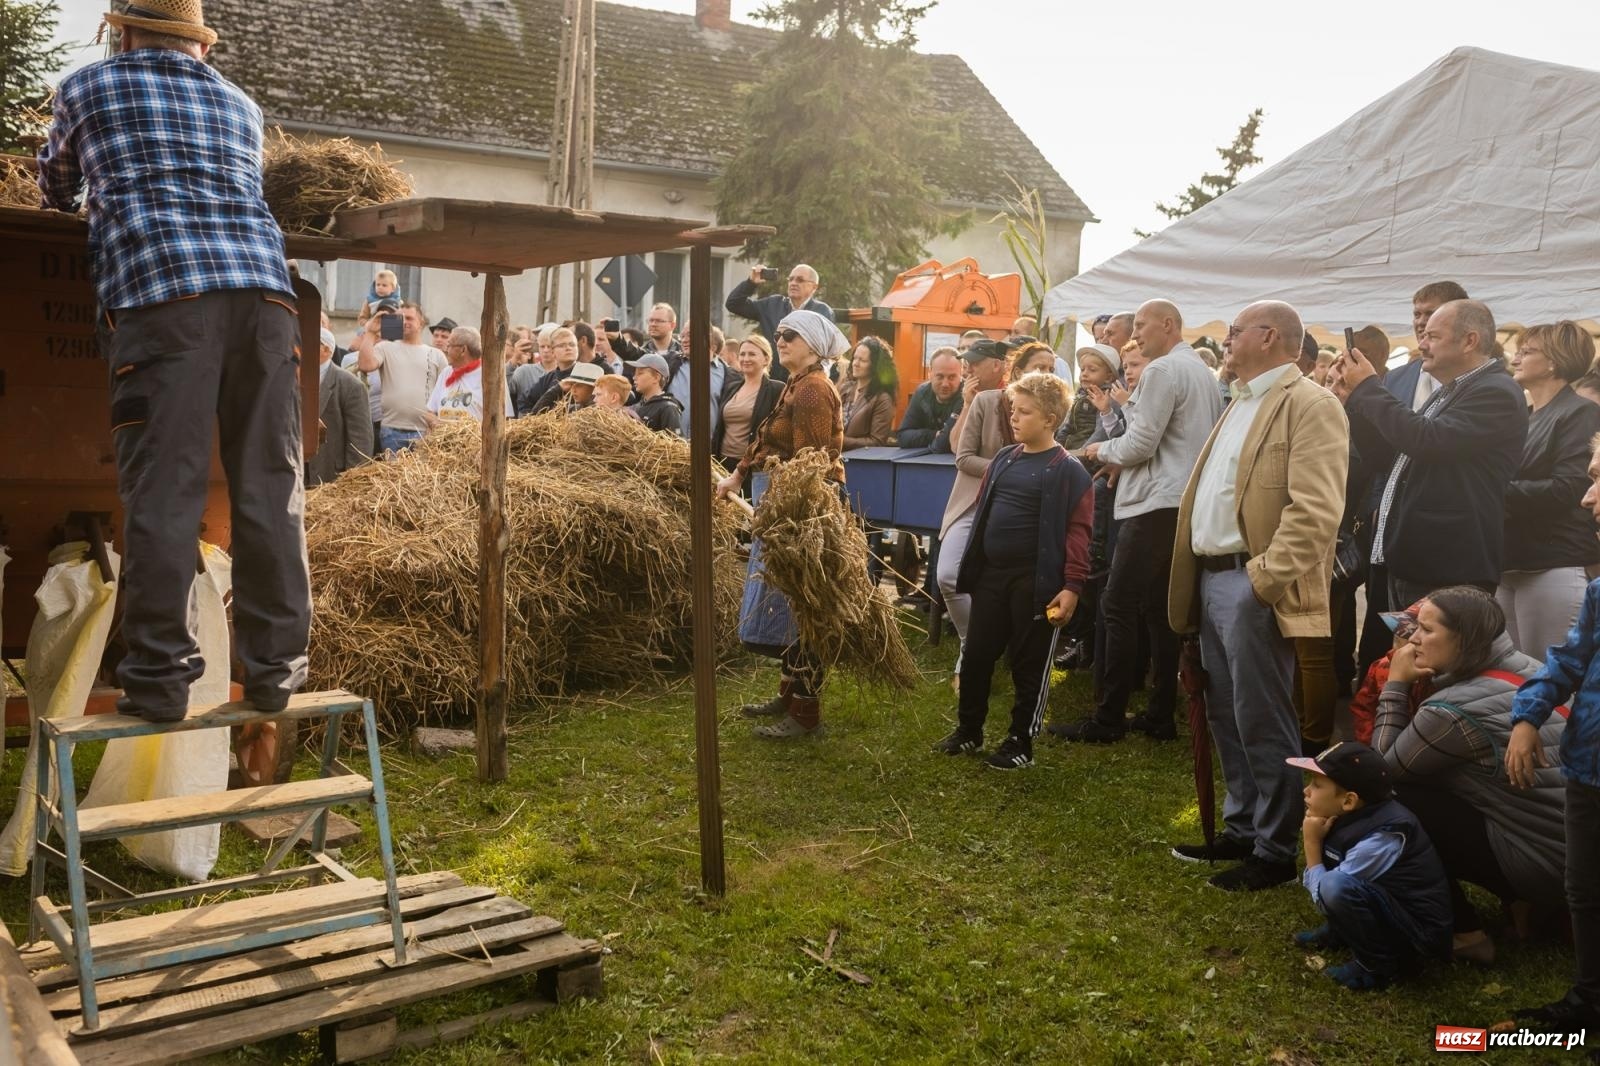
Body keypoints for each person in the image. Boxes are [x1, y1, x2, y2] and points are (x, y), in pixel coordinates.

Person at [40, 0, 309, 719]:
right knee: (269, 486)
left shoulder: (88, 87)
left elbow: (54, 188)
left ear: (121, 33)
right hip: (267, 299)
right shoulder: (239, 103)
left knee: (166, 490)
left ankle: (158, 682)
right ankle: (277, 672)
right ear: (198, 44)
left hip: (164, 297)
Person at [1164, 301, 1348, 891]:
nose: (1225, 340)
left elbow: (1316, 509)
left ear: (1268, 337)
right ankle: (1242, 829)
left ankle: (1273, 849)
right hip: (1216, 578)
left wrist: (1261, 582)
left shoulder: (1310, 404)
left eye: (1234, 331)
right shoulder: (1240, 400)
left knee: (1261, 714)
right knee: (1226, 711)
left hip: (1251, 584)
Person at [1058, 300, 1226, 743]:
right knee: (1157, 610)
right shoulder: (1200, 373)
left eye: (1144, 325)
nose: (1137, 333)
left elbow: (1138, 443)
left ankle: (1108, 718)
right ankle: (1159, 714)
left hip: (1154, 504)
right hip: (1180, 502)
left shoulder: (1163, 370)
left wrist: (1099, 452)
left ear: (1169, 325)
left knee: (1117, 605)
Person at [1370, 586, 1566, 964]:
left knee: (1389, 801)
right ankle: (1522, 903)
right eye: (1414, 627)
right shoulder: (1528, 667)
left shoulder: (1452, 709)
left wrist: (1395, 684)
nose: (1411, 638)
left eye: (1427, 630)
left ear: (1464, 639)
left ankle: (1465, 931)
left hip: (1547, 864)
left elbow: (1377, 772)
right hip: (1575, 851)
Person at [931, 372, 1092, 769]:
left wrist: (1071, 585)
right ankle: (969, 730)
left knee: (1029, 663)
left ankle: (1020, 740)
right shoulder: (1004, 458)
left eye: (1025, 412)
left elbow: (1079, 533)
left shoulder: (1068, 470)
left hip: (1035, 583)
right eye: (1013, 410)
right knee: (977, 656)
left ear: (1051, 418)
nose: (1015, 418)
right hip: (992, 577)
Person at [1332, 299, 1528, 608]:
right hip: (1414, 562)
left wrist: (1369, 387)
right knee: (1404, 656)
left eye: (1432, 336)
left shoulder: (1495, 391)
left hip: (1447, 565)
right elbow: (1391, 458)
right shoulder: (1451, 390)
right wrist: (1353, 402)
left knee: (1435, 657)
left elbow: (1427, 440)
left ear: (1470, 341)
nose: (1421, 344)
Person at [716, 310, 846, 738]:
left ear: (812, 345)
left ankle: (806, 714)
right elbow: (768, 435)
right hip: (781, 498)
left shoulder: (812, 391)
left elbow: (811, 463)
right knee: (787, 605)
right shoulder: (795, 384)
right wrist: (739, 473)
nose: (781, 340)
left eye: (790, 335)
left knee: (804, 606)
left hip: (802, 508)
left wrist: (793, 517)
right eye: (779, 334)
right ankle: (788, 694)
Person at [1507, 436, 1600, 1032]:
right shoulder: (1598, 591)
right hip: (1588, 768)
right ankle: (1589, 998)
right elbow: (1566, 662)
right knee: (1584, 889)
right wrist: (1526, 716)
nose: (1588, 497)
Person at [1288, 742, 1453, 990]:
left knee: (1336, 886)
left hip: (1417, 933)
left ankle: (1378, 966)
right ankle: (1342, 931)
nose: (1306, 790)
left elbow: (1326, 893)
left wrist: (1312, 844)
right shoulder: (1350, 817)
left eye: (1317, 785)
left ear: (1348, 801)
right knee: (1340, 881)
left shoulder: (1383, 835)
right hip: (1388, 907)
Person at [1499, 322, 1600, 658]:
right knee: (1513, 677)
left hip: (1554, 564)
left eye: (1527, 352)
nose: (1516, 358)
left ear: (1555, 361)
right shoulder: (1528, 416)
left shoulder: (1581, 412)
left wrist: (1494, 490)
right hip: (1513, 562)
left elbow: (1570, 487)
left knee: (1546, 676)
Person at [935, 339, 1015, 681]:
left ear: (999, 365)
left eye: (976, 362)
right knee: (947, 576)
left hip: (1016, 508)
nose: (969, 368)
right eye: (968, 362)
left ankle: (986, 652)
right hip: (971, 500)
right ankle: (972, 644)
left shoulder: (1027, 397)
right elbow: (958, 450)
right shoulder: (979, 399)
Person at [356, 301, 447, 454]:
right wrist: (371, 332)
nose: (404, 322)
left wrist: (438, 425)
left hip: (425, 432)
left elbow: (446, 393)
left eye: (409, 318)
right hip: (392, 431)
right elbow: (365, 365)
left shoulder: (436, 355)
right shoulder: (385, 348)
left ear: (421, 322)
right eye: (400, 318)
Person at [724, 264, 834, 381]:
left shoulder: (822, 311)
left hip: (804, 381)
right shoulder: (773, 305)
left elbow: (824, 351)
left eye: (800, 280)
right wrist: (751, 282)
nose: (793, 283)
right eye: (790, 279)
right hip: (771, 381)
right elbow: (733, 304)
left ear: (814, 287)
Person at [308, 327, 373, 486]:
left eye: (310, 342)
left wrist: (352, 481)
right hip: (297, 475)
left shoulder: (350, 385)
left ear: (326, 350)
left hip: (331, 476)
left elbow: (360, 440)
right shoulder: (294, 377)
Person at [713, 336, 783, 470]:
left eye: (752, 354)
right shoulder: (731, 387)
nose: (746, 359)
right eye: (742, 354)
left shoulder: (776, 389)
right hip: (722, 462)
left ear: (766, 359)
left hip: (753, 467)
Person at [428, 326, 512, 424]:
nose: (446, 350)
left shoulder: (491, 375)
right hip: (443, 438)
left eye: (449, 345)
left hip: (476, 438)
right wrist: (436, 423)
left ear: (463, 350)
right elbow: (430, 411)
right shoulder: (446, 372)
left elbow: (504, 419)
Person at [895, 348, 963, 449]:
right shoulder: (922, 393)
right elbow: (903, 437)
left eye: (952, 377)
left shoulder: (967, 396)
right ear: (929, 374)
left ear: (961, 375)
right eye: (939, 376)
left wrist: (939, 437)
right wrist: (933, 434)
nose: (945, 384)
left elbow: (943, 444)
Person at [838, 337, 897, 449]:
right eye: (855, 358)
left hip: (858, 463)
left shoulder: (882, 399)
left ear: (875, 366)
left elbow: (877, 441)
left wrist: (840, 441)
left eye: (862, 360)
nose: (855, 363)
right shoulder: (845, 388)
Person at [1059, 344, 1119, 451]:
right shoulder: (1081, 395)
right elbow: (1069, 425)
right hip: (1070, 450)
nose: (1085, 374)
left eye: (1092, 370)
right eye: (1082, 370)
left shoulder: (1108, 398)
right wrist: (1058, 445)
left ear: (1108, 377)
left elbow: (1102, 431)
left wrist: (1082, 452)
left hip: (1089, 453)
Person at [519, 326, 587, 417]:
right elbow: (526, 406)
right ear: (553, 352)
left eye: (572, 344)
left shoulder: (588, 374)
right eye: (562, 345)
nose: (568, 348)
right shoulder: (547, 380)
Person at [627, 353, 684, 434]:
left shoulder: (669, 408)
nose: (634, 377)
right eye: (634, 373)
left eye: (640, 373)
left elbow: (676, 443)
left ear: (656, 378)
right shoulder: (638, 406)